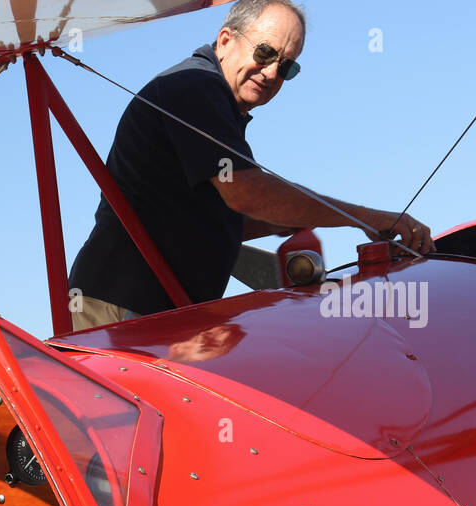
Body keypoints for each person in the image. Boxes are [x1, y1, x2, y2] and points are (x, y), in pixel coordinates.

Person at [66, 0, 436, 331]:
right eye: (265, 52)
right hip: (121, 306)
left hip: (154, 310)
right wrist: (367, 218)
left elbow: (209, 218)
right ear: (225, 40)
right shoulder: (195, 86)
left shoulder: (213, 102)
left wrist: (293, 218)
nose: (272, 72)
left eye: (287, 67)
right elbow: (248, 193)